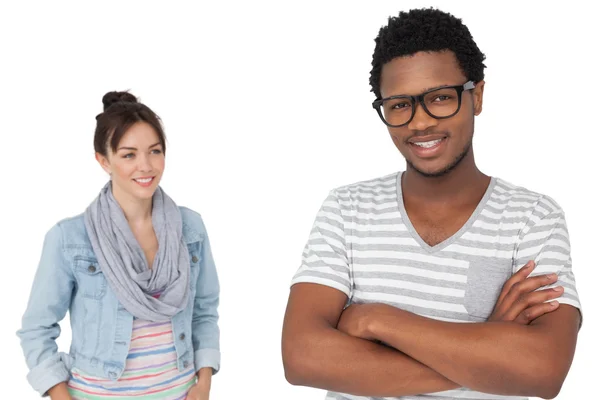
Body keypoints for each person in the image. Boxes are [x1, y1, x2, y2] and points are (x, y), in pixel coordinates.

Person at [282, 8, 581, 400]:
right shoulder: (347, 209)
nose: (420, 122)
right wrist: (486, 348)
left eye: (441, 97)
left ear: (477, 96)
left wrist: (375, 319)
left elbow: (543, 371)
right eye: (400, 104)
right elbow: (302, 358)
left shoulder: (533, 217)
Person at [17, 92, 220, 400]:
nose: (146, 166)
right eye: (129, 155)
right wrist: (61, 395)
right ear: (103, 160)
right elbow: (37, 328)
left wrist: (203, 383)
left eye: (155, 151)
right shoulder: (70, 238)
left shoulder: (190, 228)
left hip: (180, 392)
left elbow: (204, 312)